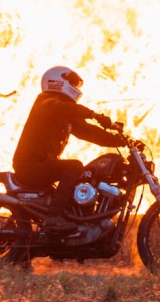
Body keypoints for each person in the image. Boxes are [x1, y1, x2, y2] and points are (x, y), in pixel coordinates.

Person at [12, 65, 127, 232]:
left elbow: (89, 133)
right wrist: (93, 114)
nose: (75, 87)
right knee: (74, 166)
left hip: (43, 165)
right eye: (72, 82)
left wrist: (120, 140)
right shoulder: (45, 101)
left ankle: (74, 219)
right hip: (30, 166)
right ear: (58, 82)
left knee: (85, 175)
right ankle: (53, 218)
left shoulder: (64, 113)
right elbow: (61, 108)